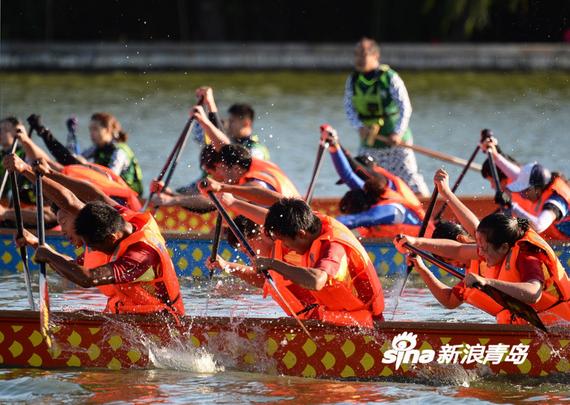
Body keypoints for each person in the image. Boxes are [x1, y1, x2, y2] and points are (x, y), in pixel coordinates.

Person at [5, 154, 184, 316]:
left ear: (111, 238)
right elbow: (87, 196)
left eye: (92, 246)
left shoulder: (140, 256)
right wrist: (41, 173)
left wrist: (49, 255)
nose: (89, 250)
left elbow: (87, 278)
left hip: (162, 324)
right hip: (127, 317)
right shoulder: (118, 218)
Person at [395, 212, 570, 326]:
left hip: (560, 327)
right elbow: (457, 250)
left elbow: (533, 293)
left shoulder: (527, 256)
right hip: (529, 330)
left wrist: (486, 282)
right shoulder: (493, 254)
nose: (478, 252)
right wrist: (416, 247)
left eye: (483, 249)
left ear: (503, 247)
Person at [255, 198, 385, 327]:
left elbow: (316, 281)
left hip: (366, 326)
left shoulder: (334, 248)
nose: (285, 247)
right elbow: (274, 198)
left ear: (301, 234)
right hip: (339, 320)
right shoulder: (309, 221)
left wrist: (273, 264)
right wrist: (234, 202)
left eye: (284, 241)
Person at [345, 37, 428, 196]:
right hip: (370, 143)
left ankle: (427, 208)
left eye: (363, 55)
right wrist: (358, 126)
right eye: (356, 55)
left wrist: (397, 132)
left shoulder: (390, 78)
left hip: (395, 142)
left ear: (375, 56)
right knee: (364, 180)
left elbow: (405, 107)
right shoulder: (353, 80)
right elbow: (349, 108)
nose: (359, 59)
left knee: (410, 180)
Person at [321, 125, 425, 237]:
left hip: (426, 248)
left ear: (365, 208)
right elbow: (348, 176)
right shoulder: (373, 192)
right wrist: (334, 147)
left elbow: (351, 221)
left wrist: (315, 224)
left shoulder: (390, 209)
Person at [481, 137, 570, 239]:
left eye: (524, 192)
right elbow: (513, 173)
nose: (522, 195)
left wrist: (512, 206)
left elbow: (538, 226)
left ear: (537, 188)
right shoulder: (536, 183)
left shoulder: (556, 201)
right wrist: (495, 154)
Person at [195, 86, 270, 160]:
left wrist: (211, 104)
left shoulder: (256, 150)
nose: (228, 124)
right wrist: (205, 104)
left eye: (232, 121)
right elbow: (218, 141)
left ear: (246, 123)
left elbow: (225, 150)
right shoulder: (233, 142)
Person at [0, 117, 35, 204]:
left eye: (5, 129)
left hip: (23, 199)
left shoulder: (26, 154)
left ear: (16, 133)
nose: (0, 132)